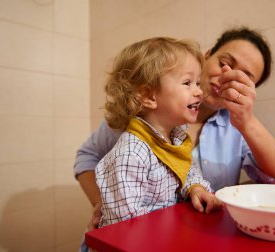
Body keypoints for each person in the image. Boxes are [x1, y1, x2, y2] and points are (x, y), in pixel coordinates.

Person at [74, 26, 275, 230]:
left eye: (244, 77)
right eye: (223, 63)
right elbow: (88, 157)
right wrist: (105, 201)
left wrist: (247, 122)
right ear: (206, 56)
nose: (228, 76)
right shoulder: (136, 127)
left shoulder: (214, 131)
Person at [95, 37, 221, 227]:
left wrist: (196, 188)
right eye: (187, 83)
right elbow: (126, 224)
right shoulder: (131, 154)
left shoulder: (175, 139)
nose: (199, 92)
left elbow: (186, 171)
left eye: (197, 83)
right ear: (148, 96)